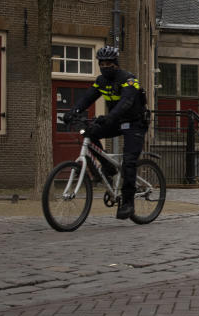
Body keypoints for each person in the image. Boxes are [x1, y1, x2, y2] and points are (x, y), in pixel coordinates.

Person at [63, 46, 148, 219]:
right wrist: (73, 112)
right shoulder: (101, 81)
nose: (104, 66)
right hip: (116, 121)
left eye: (108, 63)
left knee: (129, 162)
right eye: (101, 63)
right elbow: (87, 98)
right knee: (90, 133)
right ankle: (108, 167)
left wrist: (109, 116)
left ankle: (128, 203)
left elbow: (126, 102)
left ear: (116, 64)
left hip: (134, 123)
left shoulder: (129, 79)